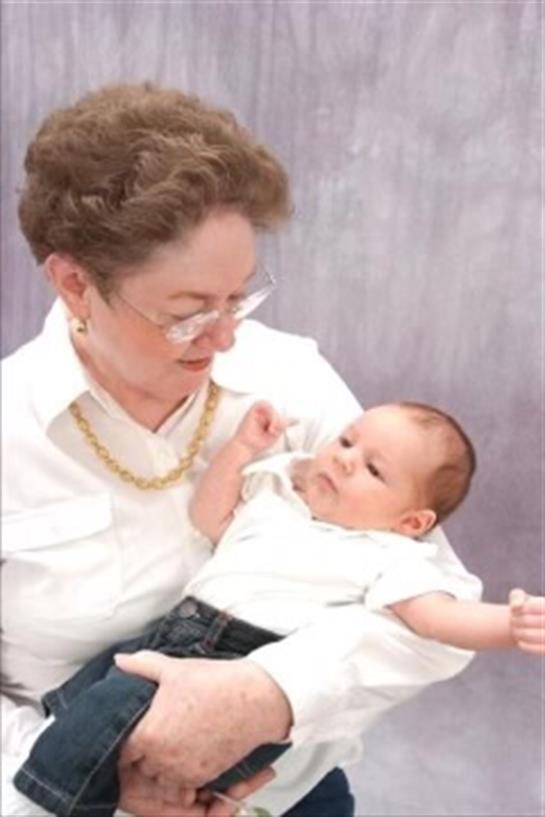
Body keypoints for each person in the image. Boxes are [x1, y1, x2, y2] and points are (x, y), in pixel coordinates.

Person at [2, 82, 488, 817]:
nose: (227, 337)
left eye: (238, 297)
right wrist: (98, 783)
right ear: (74, 283)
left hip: (282, 793)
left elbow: (430, 613)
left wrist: (269, 696)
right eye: (187, 313)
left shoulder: (288, 376)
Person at [13, 400, 544, 817]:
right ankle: (60, 748)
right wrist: (242, 449)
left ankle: (53, 798)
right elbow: (209, 517)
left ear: (411, 522)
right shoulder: (278, 497)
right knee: (89, 691)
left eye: (373, 469)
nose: (345, 458)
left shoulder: (389, 555)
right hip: (177, 632)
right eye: (347, 440)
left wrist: (510, 624)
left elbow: (436, 619)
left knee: (111, 709)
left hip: (239, 661)